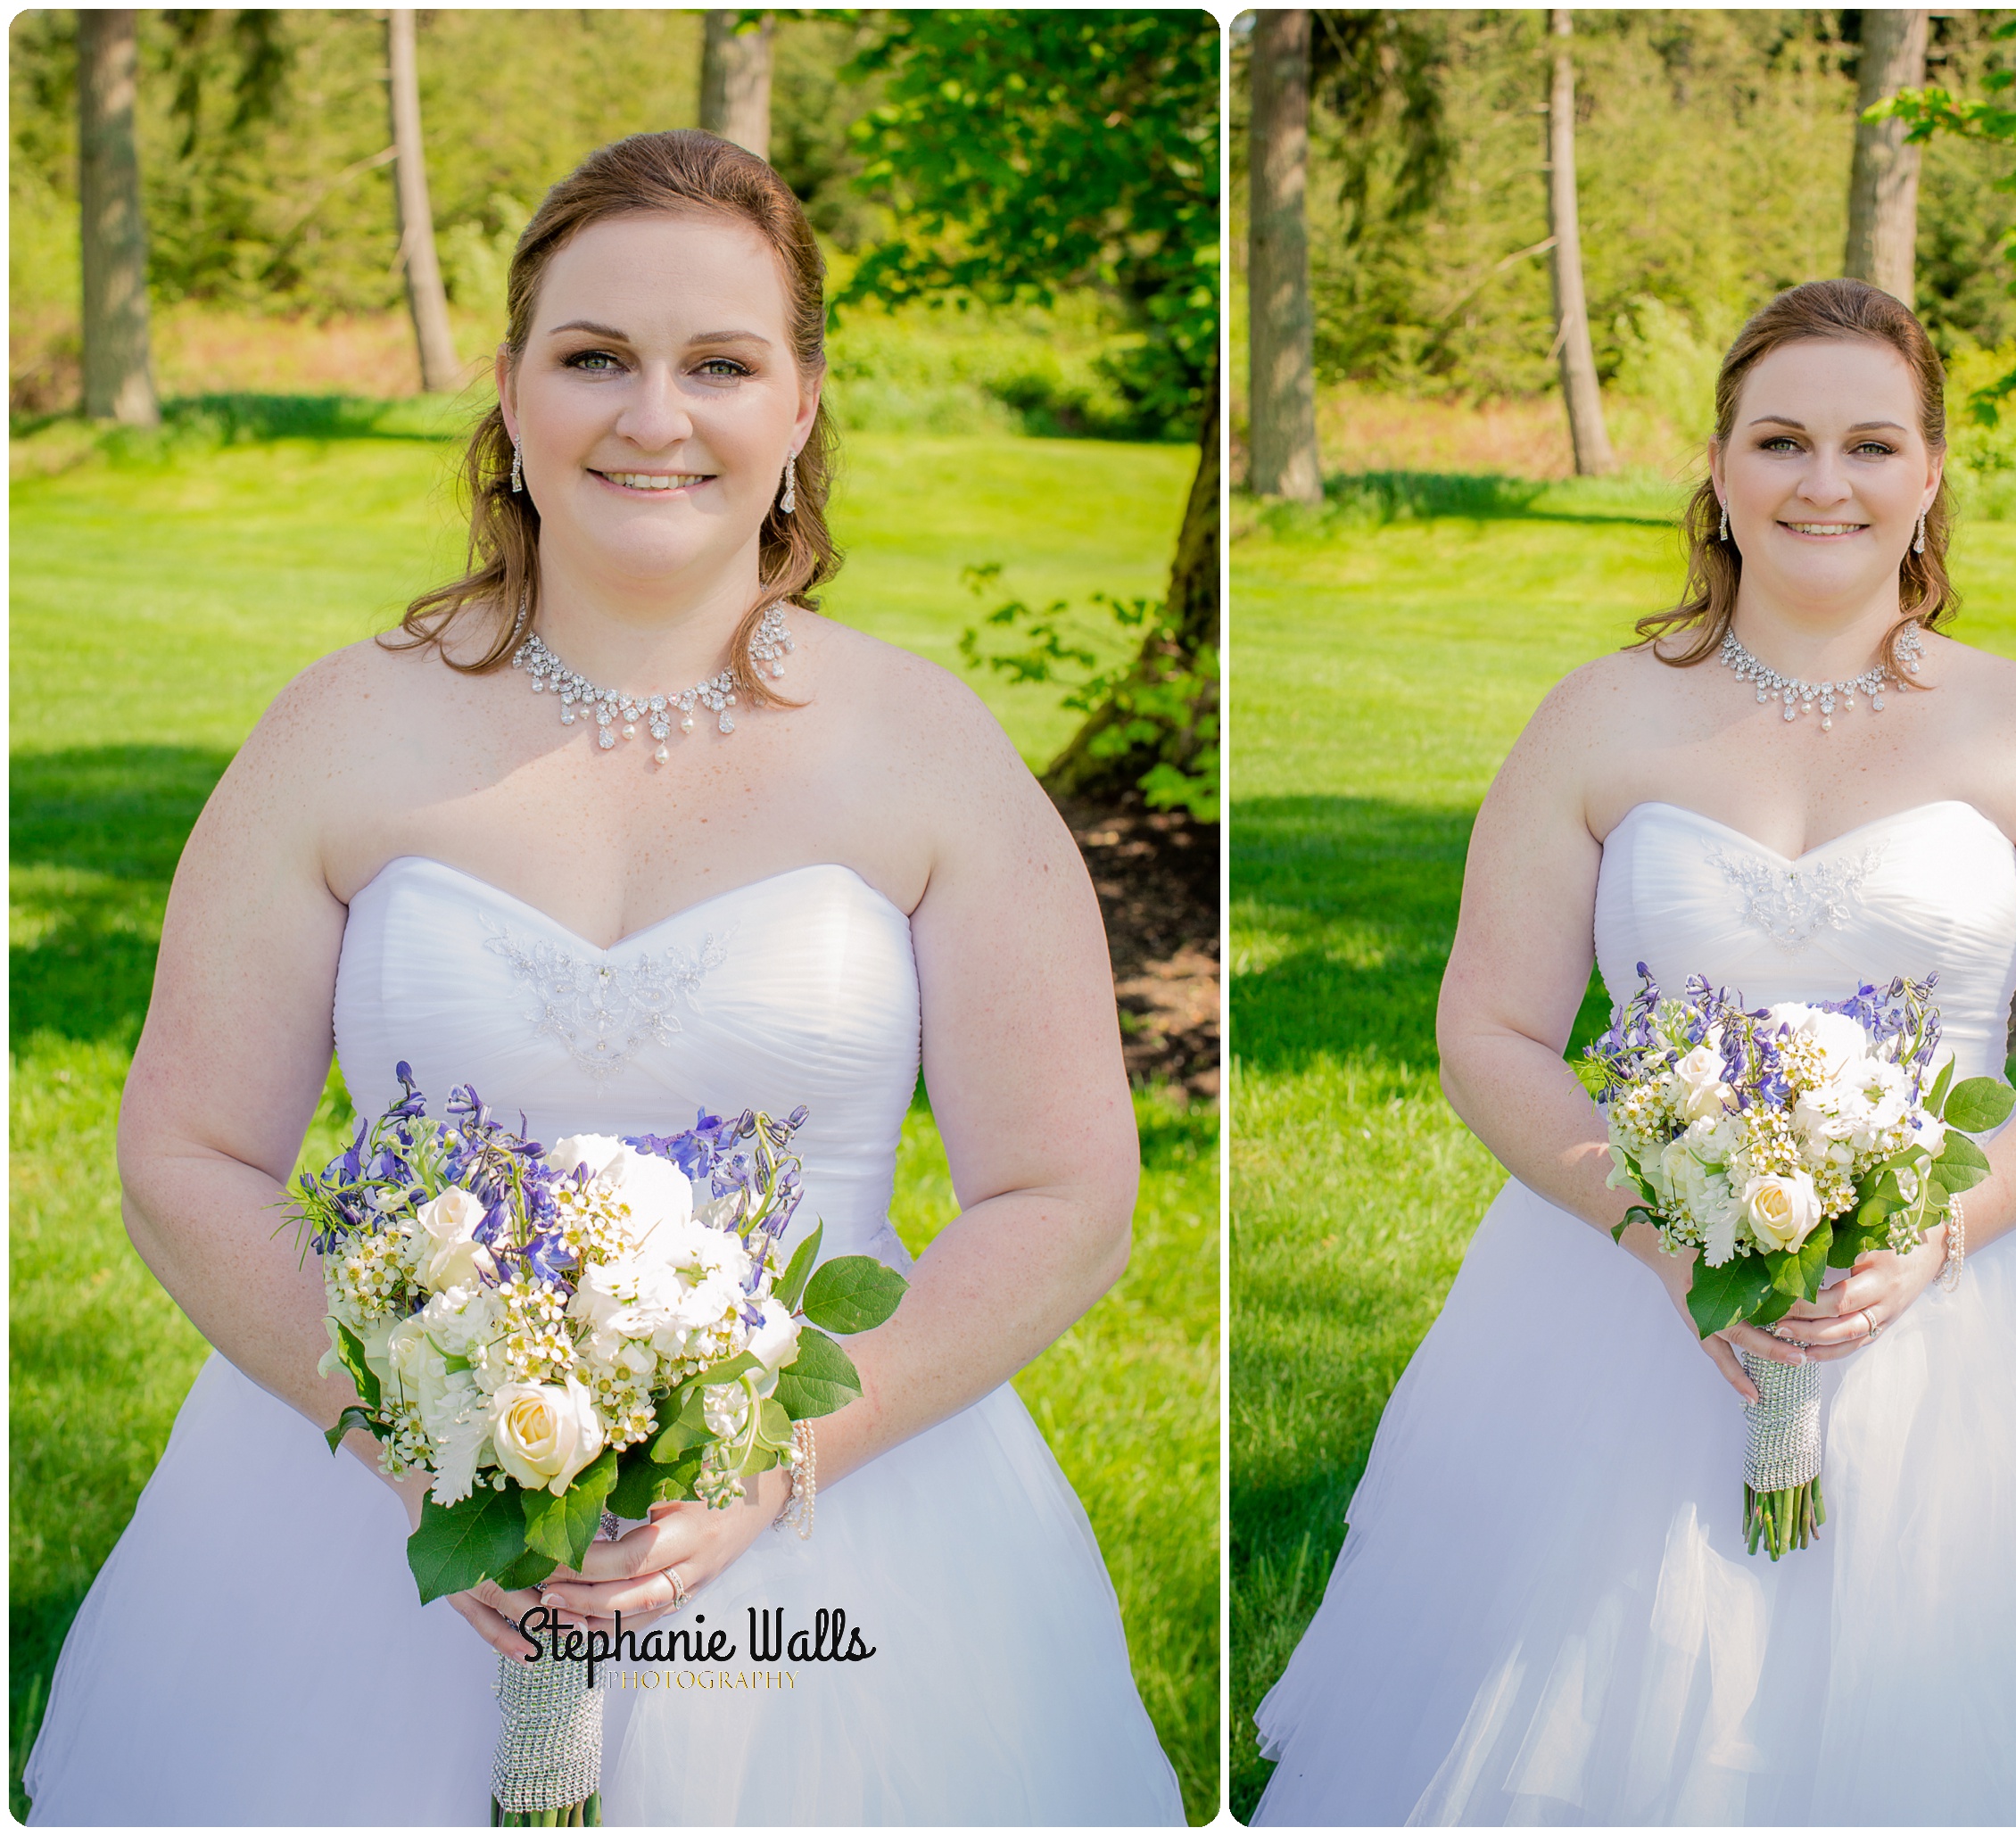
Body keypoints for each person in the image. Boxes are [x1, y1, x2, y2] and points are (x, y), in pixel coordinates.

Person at [26, 130, 1183, 1826]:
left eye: (720, 362)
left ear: (798, 409)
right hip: (368, 1519)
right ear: (510, 394)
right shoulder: (341, 730)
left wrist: (776, 1464)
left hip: (833, 1531)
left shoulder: (926, 751)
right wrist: (422, 1451)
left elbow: (1065, 1189)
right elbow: (185, 1154)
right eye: (595, 359)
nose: (656, 416)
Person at [1249, 278, 2016, 1826]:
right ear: (1723, 471)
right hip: (1625, 1302)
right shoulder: (1598, 721)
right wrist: (1658, 1233)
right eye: (1784, 439)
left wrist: (1941, 1227)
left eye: (1872, 443)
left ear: (1931, 474)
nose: (1827, 481)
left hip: (1973, 1300)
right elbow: (1487, 1027)